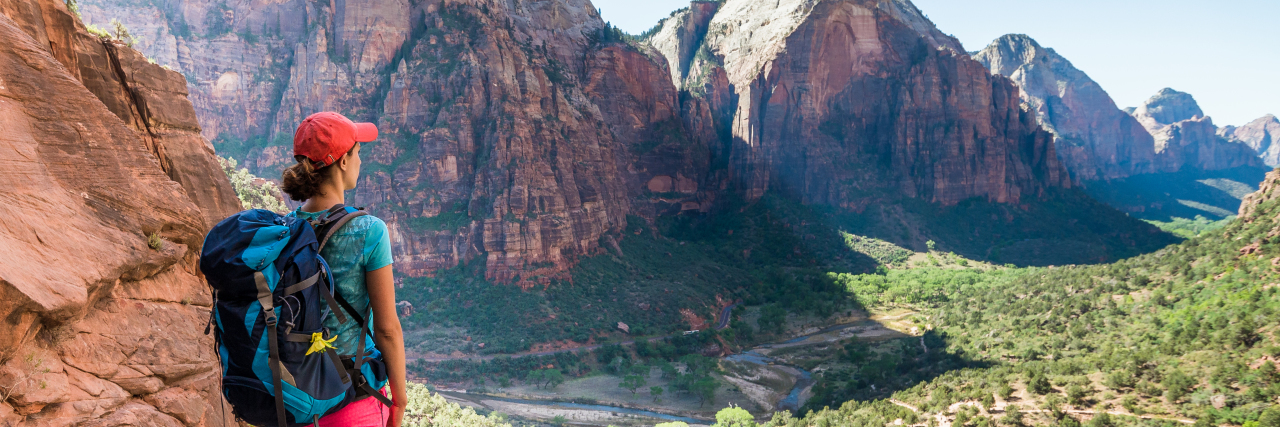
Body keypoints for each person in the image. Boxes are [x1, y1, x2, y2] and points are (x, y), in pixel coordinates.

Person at [279, 112, 407, 427]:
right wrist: (399, 404)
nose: (360, 160)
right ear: (344, 162)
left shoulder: (284, 228)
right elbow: (387, 329)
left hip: (295, 400)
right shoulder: (369, 230)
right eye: (358, 152)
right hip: (353, 398)